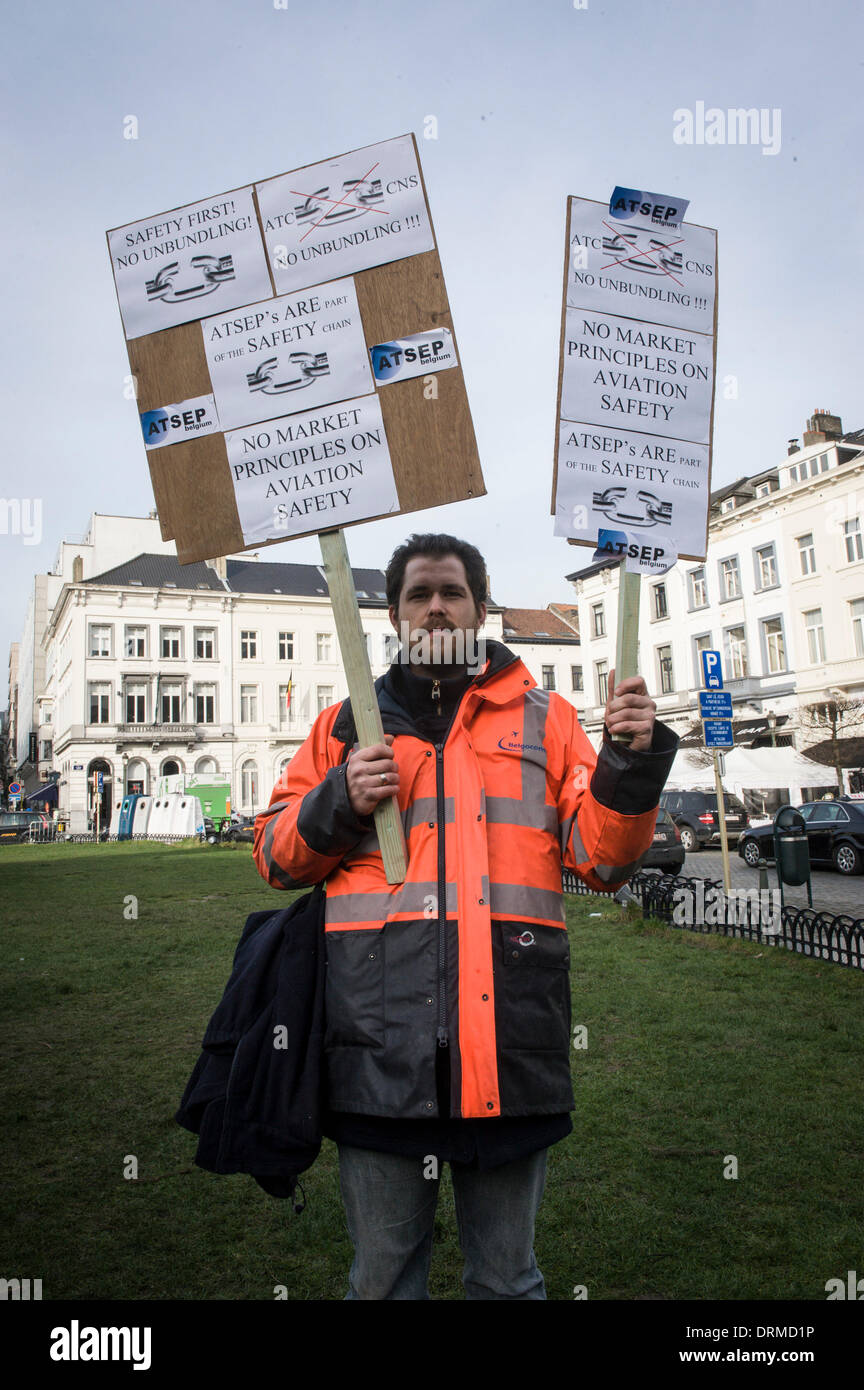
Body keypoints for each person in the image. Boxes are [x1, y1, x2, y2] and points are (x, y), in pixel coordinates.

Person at [253, 533, 678, 1299]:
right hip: (378, 1055)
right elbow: (277, 859)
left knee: (508, 1283)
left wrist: (629, 762)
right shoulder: (344, 728)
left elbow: (604, 862)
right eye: (420, 593)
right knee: (382, 1282)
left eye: (453, 591)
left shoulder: (547, 720)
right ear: (394, 615)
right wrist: (337, 801)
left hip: (507, 1052)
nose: (437, 605)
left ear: (483, 609)